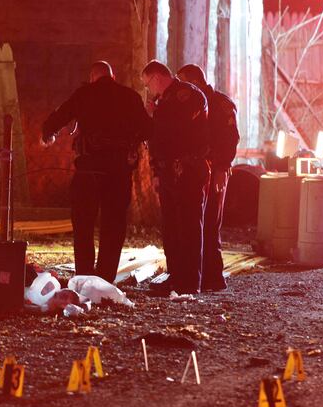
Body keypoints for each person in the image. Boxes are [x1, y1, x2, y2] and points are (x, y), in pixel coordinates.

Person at [41, 61, 151, 283]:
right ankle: (106, 278)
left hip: (89, 170)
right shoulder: (130, 97)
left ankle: (83, 275)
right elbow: (148, 129)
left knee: (83, 225)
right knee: (114, 226)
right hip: (119, 172)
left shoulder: (84, 94)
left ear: (93, 76)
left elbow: (60, 115)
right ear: (112, 75)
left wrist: (47, 133)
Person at [142, 60, 209, 295]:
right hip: (169, 171)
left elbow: (174, 133)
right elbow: (155, 142)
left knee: (189, 226)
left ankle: (190, 281)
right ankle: (175, 275)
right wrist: (157, 172)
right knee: (171, 227)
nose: (149, 91)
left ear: (157, 78)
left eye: (148, 84)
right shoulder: (164, 102)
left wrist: (154, 115)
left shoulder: (187, 95)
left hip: (188, 170)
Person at [176, 64, 240, 292]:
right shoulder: (192, 104)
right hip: (197, 170)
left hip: (216, 170)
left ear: (194, 82)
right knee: (196, 223)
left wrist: (223, 167)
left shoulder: (220, 105)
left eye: (183, 83)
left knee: (211, 223)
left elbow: (230, 138)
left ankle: (213, 277)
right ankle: (199, 276)